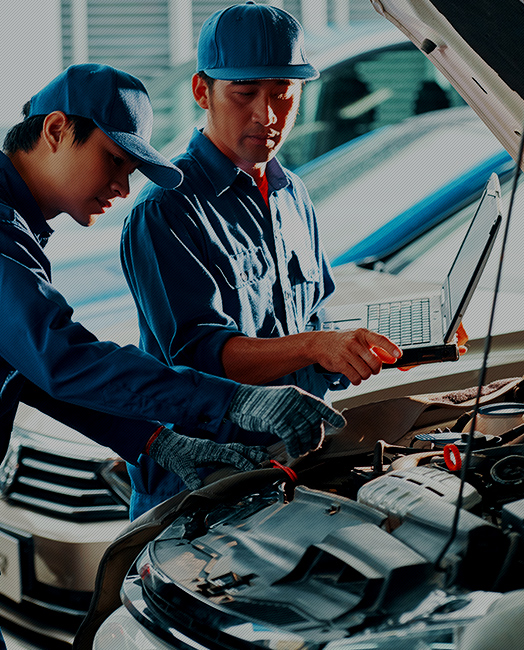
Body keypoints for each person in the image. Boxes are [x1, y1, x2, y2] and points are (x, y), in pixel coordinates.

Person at [0, 62, 346, 546]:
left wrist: (152, 439)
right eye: (115, 159)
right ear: (57, 129)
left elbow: (28, 371)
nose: (123, 188)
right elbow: (61, 358)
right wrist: (234, 399)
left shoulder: (20, 229)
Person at [119, 1, 403, 518]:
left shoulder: (293, 193)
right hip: (201, 484)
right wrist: (320, 344)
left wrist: (361, 350)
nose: (266, 116)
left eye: (282, 94)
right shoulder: (167, 210)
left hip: (285, 470)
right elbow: (202, 355)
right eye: (245, 94)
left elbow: (311, 320)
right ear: (202, 91)